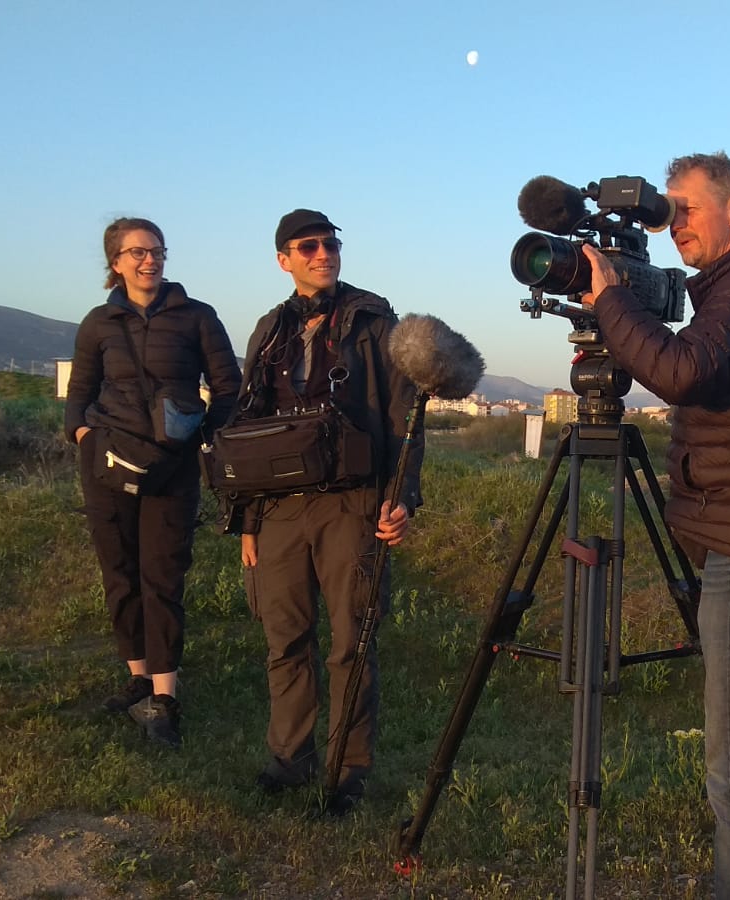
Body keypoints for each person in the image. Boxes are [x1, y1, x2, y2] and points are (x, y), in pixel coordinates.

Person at [581, 151, 730, 899]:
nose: (675, 224)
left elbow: (683, 371)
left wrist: (611, 305)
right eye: (668, 209)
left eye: (686, 208)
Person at [227, 208, 420, 809]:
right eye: (308, 246)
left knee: (351, 643)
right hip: (280, 509)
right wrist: (248, 520)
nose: (323, 254)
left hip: (351, 504)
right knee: (284, 639)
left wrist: (400, 497)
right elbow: (250, 427)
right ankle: (290, 759)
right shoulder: (268, 328)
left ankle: (346, 770)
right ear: (284, 259)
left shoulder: (372, 320)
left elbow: (402, 418)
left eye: (330, 244)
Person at [65, 216, 241, 748]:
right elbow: (80, 393)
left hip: (173, 469)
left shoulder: (197, 317)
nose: (150, 260)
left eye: (157, 250)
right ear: (114, 262)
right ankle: (137, 676)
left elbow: (228, 385)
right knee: (119, 573)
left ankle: (165, 696)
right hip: (108, 467)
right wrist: (83, 437)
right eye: (138, 252)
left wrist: (200, 436)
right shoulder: (98, 322)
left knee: (161, 576)